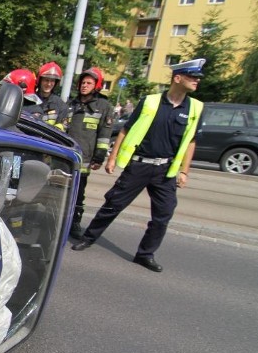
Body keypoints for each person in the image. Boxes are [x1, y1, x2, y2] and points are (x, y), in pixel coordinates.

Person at [71, 58, 206, 272]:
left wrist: (184, 171)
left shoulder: (196, 108)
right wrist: (113, 157)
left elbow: (191, 141)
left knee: (164, 214)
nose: (196, 81)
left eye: (197, 78)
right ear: (177, 78)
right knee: (113, 204)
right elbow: (126, 129)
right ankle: (88, 238)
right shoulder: (151, 101)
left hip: (166, 170)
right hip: (140, 165)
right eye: (192, 77)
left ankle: (145, 254)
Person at [65, 67, 114, 239]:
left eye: (89, 83)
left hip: (85, 158)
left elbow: (104, 134)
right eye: (83, 82)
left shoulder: (103, 107)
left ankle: (75, 223)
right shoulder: (71, 105)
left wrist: (99, 156)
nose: (84, 86)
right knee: (61, 189)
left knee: (79, 193)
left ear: (96, 86)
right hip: (66, 156)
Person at [31, 62, 69, 130]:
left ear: (55, 83)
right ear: (40, 81)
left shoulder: (60, 105)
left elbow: (61, 128)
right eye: (46, 80)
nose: (49, 84)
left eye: (52, 81)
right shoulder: (30, 100)